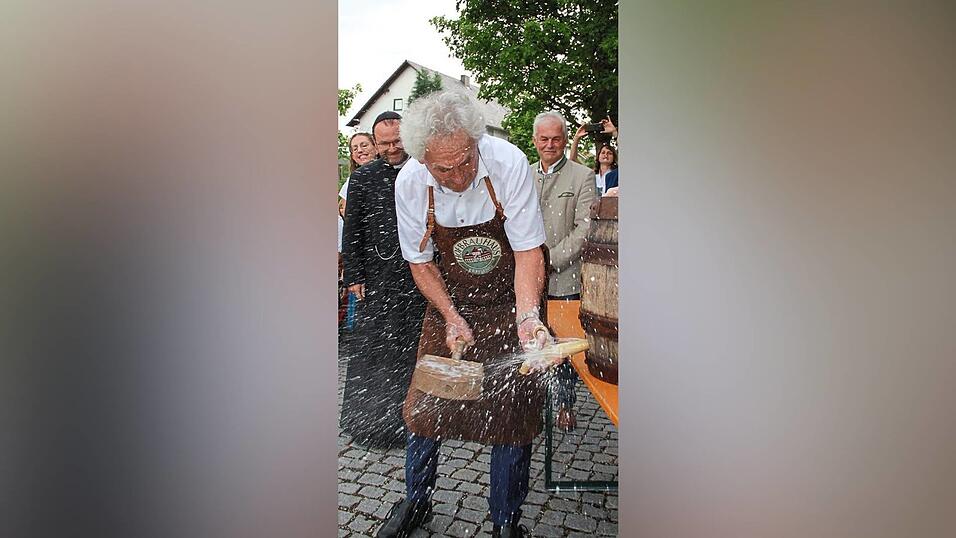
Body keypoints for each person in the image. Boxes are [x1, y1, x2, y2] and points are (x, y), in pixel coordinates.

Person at [378, 91, 555, 538]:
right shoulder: (410, 184)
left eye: (465, 162)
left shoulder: (508, 162)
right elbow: (420, 262)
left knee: (512, 413)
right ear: (422, 161)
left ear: (476, 142)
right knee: (424, 407)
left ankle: (505, 521)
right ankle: (416, 500)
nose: (458, 177)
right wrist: (451, 316)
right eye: (444, 169)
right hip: (449, 305)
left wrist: (527, 316)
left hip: (509, 300)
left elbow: (528, 249)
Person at [339, 113, 426, 449]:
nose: (392, 149)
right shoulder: (363, 179)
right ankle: (370, 422)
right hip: (376, 278)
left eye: (397, 141)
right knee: (375, 350)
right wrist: (354, 275)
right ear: (375, 144)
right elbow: (353, 229)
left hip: (417, 277)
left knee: (411, 349)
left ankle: (414, 419)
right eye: (385, 143)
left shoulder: (421, 171)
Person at [529, 111, 597, 431]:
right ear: (535, 141)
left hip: (563, 276)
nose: (550, 144)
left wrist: (550, 260)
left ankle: (565, 404)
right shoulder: (524, 175)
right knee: (531, 341)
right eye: (544, 139)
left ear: (565, 139)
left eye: (556, 138)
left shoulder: (581, 176)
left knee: (563, 345)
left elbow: (585, 229)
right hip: (528, 280)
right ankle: (531, 404)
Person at [339, 132, 378, 330]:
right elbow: (345, 211)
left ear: (375, 147)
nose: (360, 151)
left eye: (364, 145)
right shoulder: (354, 180)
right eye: (355, 148)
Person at [569, 116, 619, 195]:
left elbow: (627, 154)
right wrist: (576, 138)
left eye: (609, 153)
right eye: (603, 152)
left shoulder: (618, 173)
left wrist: (614, 132)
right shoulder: (591, 174)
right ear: (598, 157)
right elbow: (573, 160)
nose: (606, 155)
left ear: (614, 157)